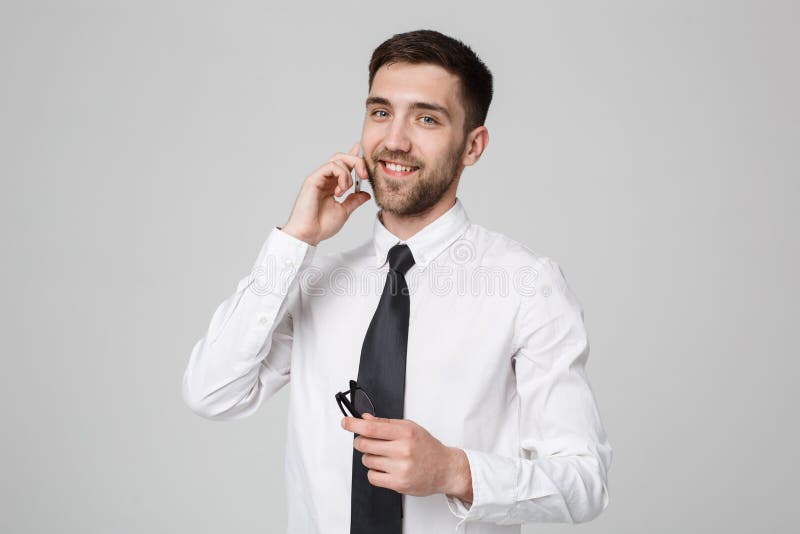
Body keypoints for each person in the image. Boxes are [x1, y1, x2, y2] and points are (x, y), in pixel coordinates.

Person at [182, 29, 612, 533]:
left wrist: (455, 471)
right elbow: (212, 392)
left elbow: (585, 481)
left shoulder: (526, 287)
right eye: (380, 112)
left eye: (427, 118)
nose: (394, 140)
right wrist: (295, 240)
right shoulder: (314, 280)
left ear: (473, 146)